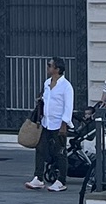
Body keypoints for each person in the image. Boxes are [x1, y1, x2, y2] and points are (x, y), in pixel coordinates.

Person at [28, 57, 74, 192]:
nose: (47, 68)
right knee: (40, 149)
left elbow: (68, 106)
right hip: (46, 122)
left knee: (60, 152)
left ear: (57, 69)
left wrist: (64, 123)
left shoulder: (66, 86)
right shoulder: (47, 83)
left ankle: (61, 180)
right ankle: (38, 177)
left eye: (50, 65)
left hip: (58, 123)